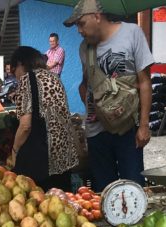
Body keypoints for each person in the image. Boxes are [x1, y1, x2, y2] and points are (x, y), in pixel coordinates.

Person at [65, 0, 154, 191]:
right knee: (103, 192)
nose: (79, 31)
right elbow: (86, 83)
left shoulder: (132, 33)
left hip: (128, 129)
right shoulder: (84, 48)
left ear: (96, 16)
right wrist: (89, 99)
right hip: (96, 132)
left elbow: (145, 81)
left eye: (81, 24)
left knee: (133, 188)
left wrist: (144, 126)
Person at [6, 46, 79, 191]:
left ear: (20, 63)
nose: (16, 76)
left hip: (41, 162)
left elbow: (26, 125)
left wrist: (14, 150)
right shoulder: (54, 77)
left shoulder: (28, 79)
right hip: (64, 157)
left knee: (41, 205)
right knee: (62, 202)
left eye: (14, 71)